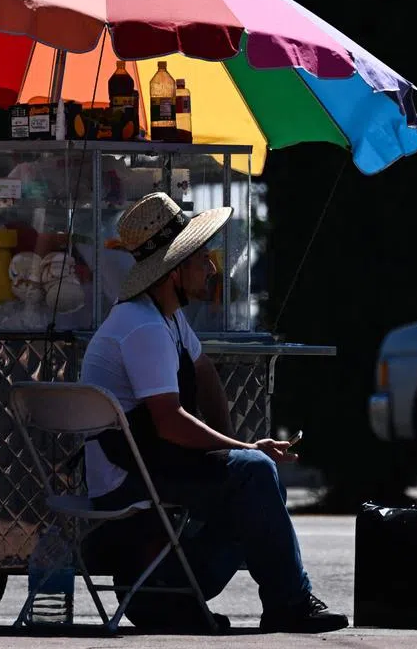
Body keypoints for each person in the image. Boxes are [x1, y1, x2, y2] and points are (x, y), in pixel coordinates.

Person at [79, 191, 348, 634]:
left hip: (151, 462)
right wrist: (243, 451)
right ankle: (288, 602)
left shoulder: (166, 316)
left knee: (252, 477)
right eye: (201, 258)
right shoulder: (142, 326)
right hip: (128, 482)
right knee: (256, 472)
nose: (211, 268)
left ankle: (172, 596)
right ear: (173, 270)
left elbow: (204, 374)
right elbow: (169, 421)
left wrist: (229, 458)